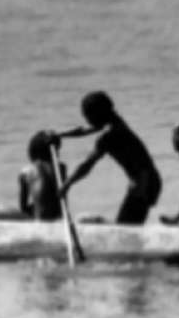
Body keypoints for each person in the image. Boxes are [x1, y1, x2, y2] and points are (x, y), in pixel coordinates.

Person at [55, 91, 162, 225]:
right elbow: (85, 130)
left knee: (127, 226)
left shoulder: (109, 134)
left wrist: (67, 184)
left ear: (100, 111)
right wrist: (60, 135)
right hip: (148, 179)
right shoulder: (114, 120)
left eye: (88, 115)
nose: (87, 119)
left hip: (144, 183)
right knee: (127, 223)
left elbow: (87, 164)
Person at [18, 130, 65, 221]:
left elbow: (23, 208)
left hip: (39, 219)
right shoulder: (61, 168)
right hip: (59, 219)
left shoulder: (25, 172)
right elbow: (61, 204)